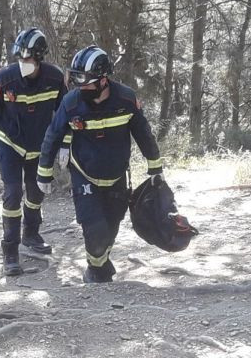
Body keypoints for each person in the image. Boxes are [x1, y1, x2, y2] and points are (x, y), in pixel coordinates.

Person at [36, 45, 164, 283]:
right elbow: (52, 135)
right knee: (94, 230)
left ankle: (101, 264)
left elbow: (144, 134)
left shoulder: (126, 99)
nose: (80, 87)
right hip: (84, 174)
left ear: (104, 81)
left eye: (86, 82)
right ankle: (96, 270)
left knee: (111, 226)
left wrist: (155, 168)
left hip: (117, 176)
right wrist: (43, 174)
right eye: (77, 82)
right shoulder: (71, 103)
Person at [0, 28, 67, 276]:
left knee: (36, 191)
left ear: (39, 58)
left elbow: (65, 113)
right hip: (10, 143)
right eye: (21, 59)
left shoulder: (55, 78)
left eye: (29, 59)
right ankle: (10, 250)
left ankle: (31, 233)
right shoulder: (5, 79)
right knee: (13, 193)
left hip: (39, 146)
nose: (24, 64)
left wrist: (65, 144)